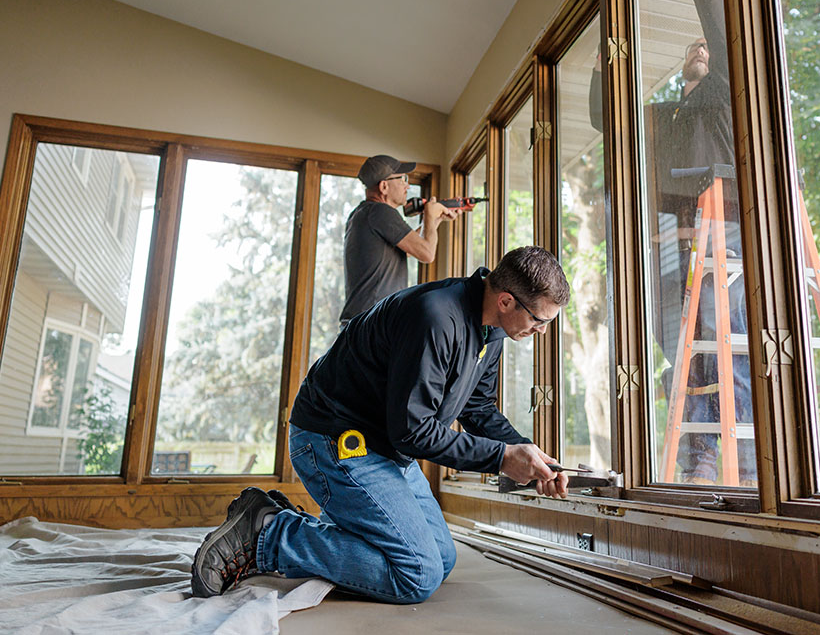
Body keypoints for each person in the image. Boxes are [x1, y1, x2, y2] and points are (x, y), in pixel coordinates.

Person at [191, 246, 571, 603]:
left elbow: (476, 406)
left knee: (441, 559)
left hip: (387, 449)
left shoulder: (494, 330)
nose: (541, 331)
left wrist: (530, 454)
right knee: (417, 575)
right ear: (506, 300)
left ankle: (317, 527)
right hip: (334, 439)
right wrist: (502, 458)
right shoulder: (436, 317)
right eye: (540, 320)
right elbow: (413, 430)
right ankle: (269, 534)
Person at [590, 0, 754, 486]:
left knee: (716, 349)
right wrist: (600, 63)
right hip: (666, 251)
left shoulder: (724, 105)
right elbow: (604, 119)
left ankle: (726, 463)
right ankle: (697, 453)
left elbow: (727, 42)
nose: (701, 51)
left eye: (706, 51)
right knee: (678, 356)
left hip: (720, 243)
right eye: (694, 50)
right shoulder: (663, 119)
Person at [339, 154, 462, 323]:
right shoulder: (381, 212)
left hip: (365, 323)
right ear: (384, 186)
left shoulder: (362, 214)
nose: (408, 185)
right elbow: (426, 253)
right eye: (402, 179)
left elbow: (410, 248)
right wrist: (428, 215)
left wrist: (436, 219)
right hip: (373, 324)